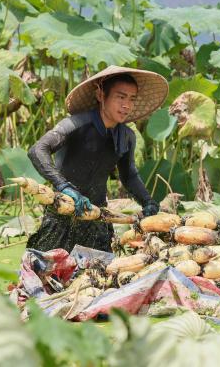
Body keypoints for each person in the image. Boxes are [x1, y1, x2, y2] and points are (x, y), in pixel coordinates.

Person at [26, 66, 169, 253]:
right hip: (63, 211)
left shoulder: (127, 136)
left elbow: (129, 175)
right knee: (48, 268)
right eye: (121, 97)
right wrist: (65, 187)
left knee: (99, 270)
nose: (126, 105)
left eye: (132, 99)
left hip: (98, 217)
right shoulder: (75, 124)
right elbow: (37, 150)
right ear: (101, 95)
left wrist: (148, 201)